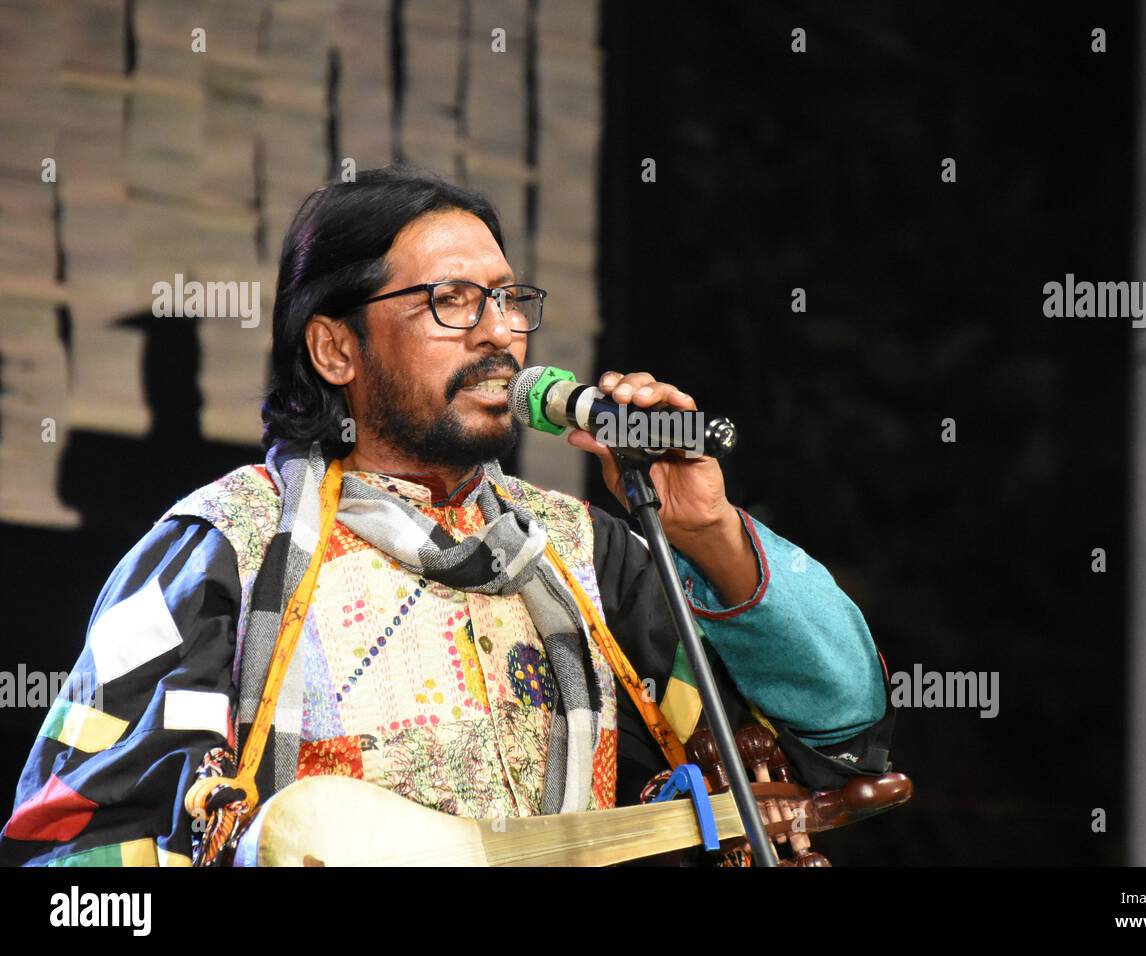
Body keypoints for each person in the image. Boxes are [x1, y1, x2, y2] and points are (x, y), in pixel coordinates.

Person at [0, 166, 890, 867]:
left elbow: (839, 736)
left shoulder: (585, 557)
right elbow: (68, 860)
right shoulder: (225, 548)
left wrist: (706, 530)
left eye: (507, 299)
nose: (498, 331)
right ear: (336, 346)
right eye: (451, 301)